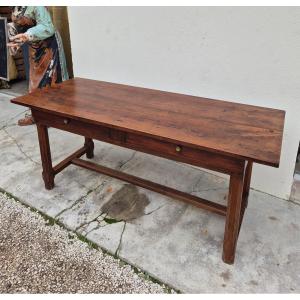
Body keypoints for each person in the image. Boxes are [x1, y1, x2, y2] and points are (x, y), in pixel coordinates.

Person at [7, 6, 69, 126]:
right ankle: (37, 114)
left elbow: (48, 27)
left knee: (53, 80)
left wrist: (26, 35)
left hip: (49, 47)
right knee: (35, 82)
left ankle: (58, 115)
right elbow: (19, 24)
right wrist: (14, 36)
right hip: (35, 48)